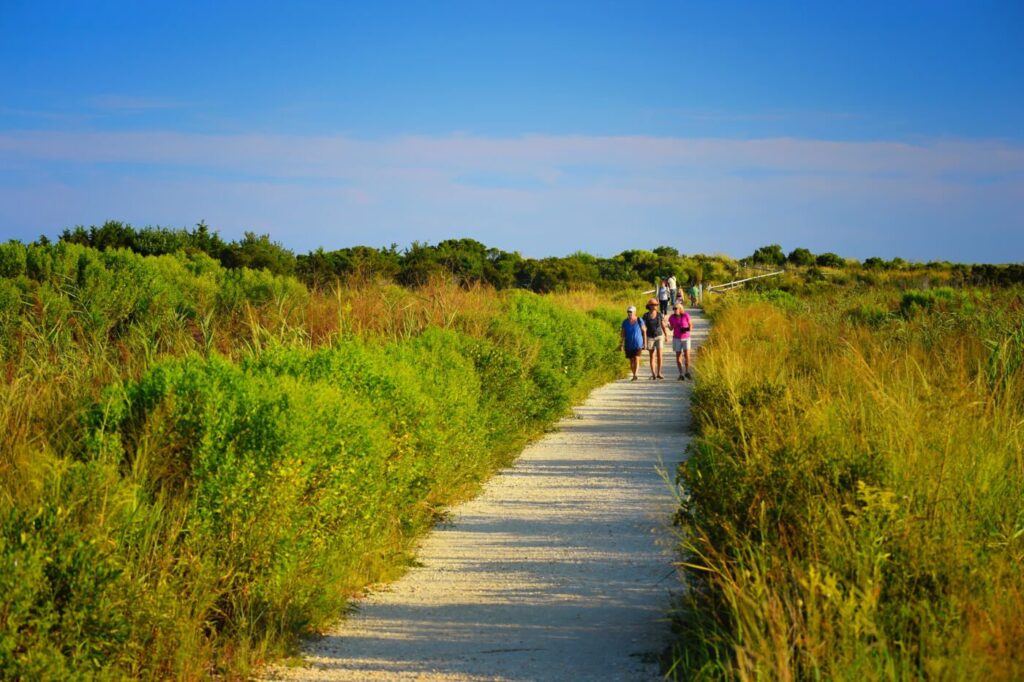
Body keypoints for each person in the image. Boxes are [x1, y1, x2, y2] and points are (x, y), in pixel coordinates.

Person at [642, 297, 669, 379]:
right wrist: (644, 340)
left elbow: (663, 325)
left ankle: (659, 373)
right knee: (652, 356)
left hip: (659, 336)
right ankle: (653, 373)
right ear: (649, 305)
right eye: (653, 304)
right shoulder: (645, 316)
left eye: (656, 304)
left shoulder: (659, 314)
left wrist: (666, 335)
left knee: (660, 355)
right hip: (650, 337)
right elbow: (643, 328)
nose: (655, 306)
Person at [619, 305, 647, 381]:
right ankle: (634, 373)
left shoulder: (639, 320)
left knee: (636, 358)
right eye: (628, 312)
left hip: (638, 343)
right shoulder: (625, 322)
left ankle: (635, 374)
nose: (629, 313)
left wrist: (645, 343)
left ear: (634, 312)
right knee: (631, 360)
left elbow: (644, 331)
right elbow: (622, 334)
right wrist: (621, 344)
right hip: (629, 344)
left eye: (631, 312)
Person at [669, 301, 693, 380]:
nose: (674, 310)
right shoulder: (672, 317)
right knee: (678, 356)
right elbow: (671, 328)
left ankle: (687, 371)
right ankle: (681, 374)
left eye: (676, 308)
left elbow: (691, 325)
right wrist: (667, 325)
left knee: (687, 356)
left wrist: (687, 330)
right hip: (676, 338)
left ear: (680, 309)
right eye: (673, 309)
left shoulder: (686, 315)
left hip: (686, 337)